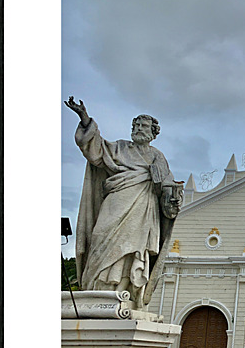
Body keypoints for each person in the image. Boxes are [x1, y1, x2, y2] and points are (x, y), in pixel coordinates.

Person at [65, 96, 182, 308]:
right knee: (99, 238)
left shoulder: (158, 158)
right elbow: (95, 150)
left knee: (132, 251)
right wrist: (84, 118)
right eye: (136, 125)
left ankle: (122, 293)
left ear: (153, 133)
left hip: (142, 211)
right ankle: (94, 290)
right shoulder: (119, 148)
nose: (138, 128)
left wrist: (171, 200)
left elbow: (167, 187)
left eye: (144, 126)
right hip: (115, 203)